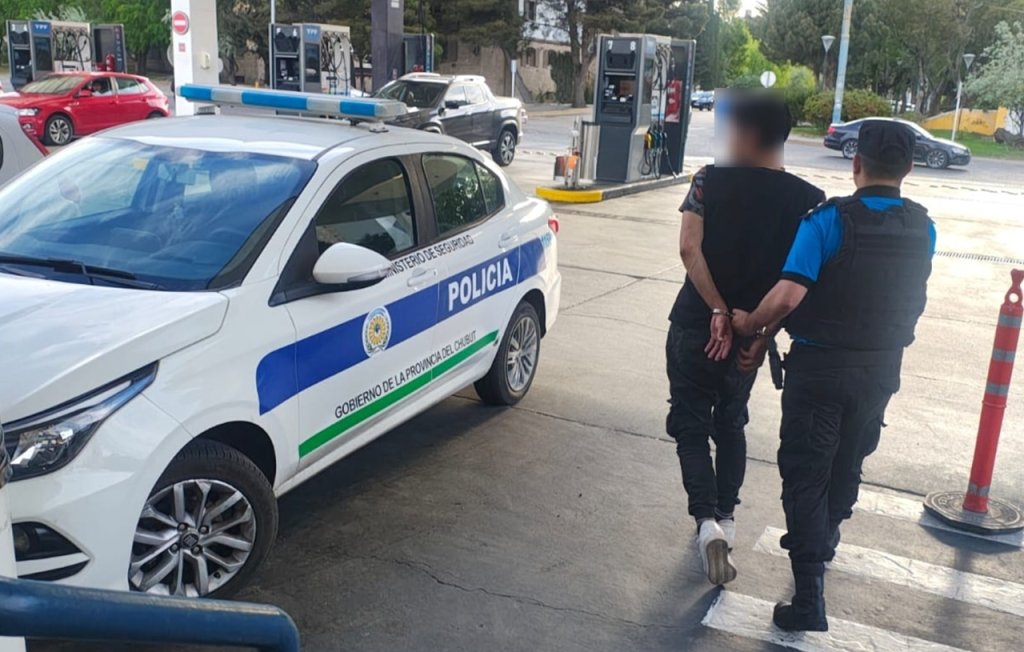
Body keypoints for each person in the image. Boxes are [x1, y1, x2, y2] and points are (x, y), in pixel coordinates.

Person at [732, 120, 936, 632]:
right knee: (848, 464)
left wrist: (751, 325)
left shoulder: (827, 222)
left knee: (807, 474)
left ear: (856, 163)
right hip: (880, 370)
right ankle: (825, 541)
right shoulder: (923, 228)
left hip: (820, 372)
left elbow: (788, 296)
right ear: (909, 168)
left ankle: (808, 599)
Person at [666, 92, 825, 586]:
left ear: (749, 134)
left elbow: (688, 248)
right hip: (748, 338)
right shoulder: (809, 201)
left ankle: (706, 523)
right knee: (731, 423)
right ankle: (728, 520)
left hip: (694, 325)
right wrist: (759, 331)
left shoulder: (708, 180)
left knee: (691, 424)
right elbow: (796, 285)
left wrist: (715, 307)